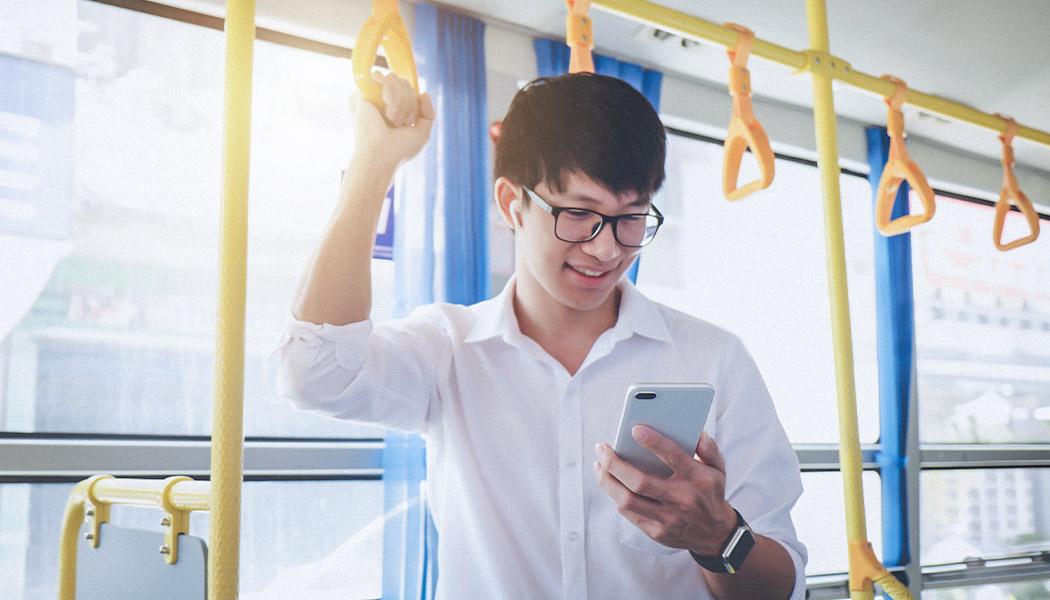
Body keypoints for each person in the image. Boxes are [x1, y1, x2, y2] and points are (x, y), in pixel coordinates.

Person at [275, 71, 807, 599]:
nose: (607, 250)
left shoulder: (714, 359)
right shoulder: (448, 349)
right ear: (513, 204)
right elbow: (312, 372)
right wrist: (374, 162)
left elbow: (780, 589)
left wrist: (718, 539)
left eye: (631, 217)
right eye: (579, 214)